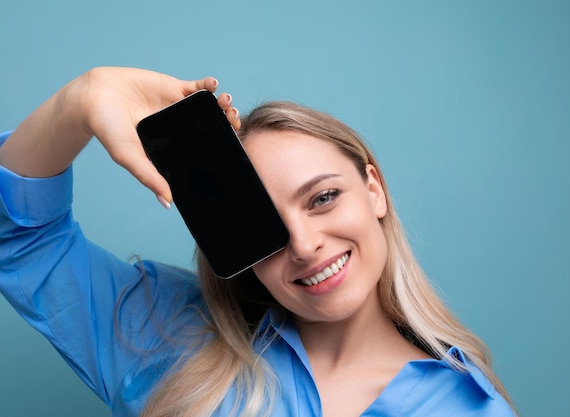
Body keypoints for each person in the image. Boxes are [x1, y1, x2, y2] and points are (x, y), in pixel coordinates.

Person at [0, 67, 516, 417]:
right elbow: (21, 242)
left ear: (374, 189)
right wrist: (84, 97)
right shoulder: (167, 338)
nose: (304, 244)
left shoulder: (467, 406)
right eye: (265, 225)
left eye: (323, 198)